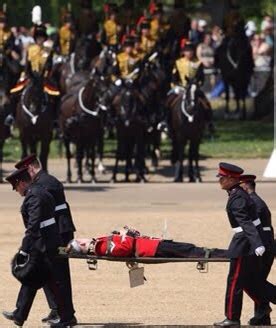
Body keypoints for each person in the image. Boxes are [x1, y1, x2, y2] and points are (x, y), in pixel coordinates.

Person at [13, 154, 76, 326]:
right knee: (46, 273)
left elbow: (44, 214)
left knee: (59, 276)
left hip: (58, 234)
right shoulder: (44, 181)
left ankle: (64, 314)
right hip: (53, 234)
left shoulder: (44, 183)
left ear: (31, 168)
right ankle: (57, 311)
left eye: (25, 172)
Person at [214, 162, 276, 327]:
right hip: (248, 243)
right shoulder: (238, 194)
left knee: (234, 282)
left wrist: (257, 244)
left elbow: (247, 223)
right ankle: (262, 309)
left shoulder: (237, 197)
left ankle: (232, 318)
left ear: (231, 178)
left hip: (243, 245)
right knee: (251, 282)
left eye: (222, 177)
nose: (219, 180)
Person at [3, 168, 66, 327]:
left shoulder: (34, 196)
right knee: (34, 277)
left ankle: (65, 315)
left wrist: (24, 250)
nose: (16, 191)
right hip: (48, 240)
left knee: (42, 277)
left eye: (16, 187)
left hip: (44, 242)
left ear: (22, 183)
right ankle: (20, 314)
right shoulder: (40, 191)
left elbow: (33, 226)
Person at [65, 226, 228, 259]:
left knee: (189, 248)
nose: (83, 238)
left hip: (152, 244)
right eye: (80, 241)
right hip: (152, 249)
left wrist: (130, 233)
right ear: (83, 246)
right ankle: (226, 254)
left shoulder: (100, 243)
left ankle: (221, 252)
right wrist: (126, 234)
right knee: (190, 250)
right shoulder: (101, 247)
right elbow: (125, 248)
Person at [240, 174, 274, 325]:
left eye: (239, 185)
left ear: (246, 186)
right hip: (265, 245)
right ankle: (262, 315)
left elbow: (255, 230)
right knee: (257, 281)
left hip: (263, 246)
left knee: (251, 281)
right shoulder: (254, 201)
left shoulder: (254, 202)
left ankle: (263, 309)